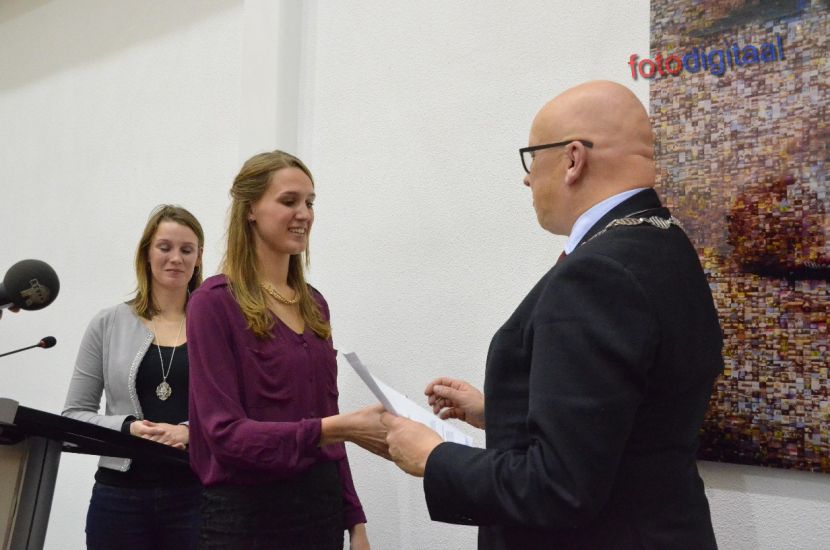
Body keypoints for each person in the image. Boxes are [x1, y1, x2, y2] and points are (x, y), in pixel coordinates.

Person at [381, 81, 724, 549]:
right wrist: (504, 412)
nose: (527, 180)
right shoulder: (664, 243)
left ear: (572, 159)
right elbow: (634, 416)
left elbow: (559, 488)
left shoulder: (597, 273)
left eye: (531, 158)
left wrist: (434, 458)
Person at [186, 150, 386, 550]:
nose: (304, 214)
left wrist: (355, 520)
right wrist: (336, 428)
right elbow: (224, 435)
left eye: (310, 203)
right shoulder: (213, 303)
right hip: (246, 519)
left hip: (321, 513)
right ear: (250, 210)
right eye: (289, 201)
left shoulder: (315, 305)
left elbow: (328, 418)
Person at [63, 205, 205, 549]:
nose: (176, 258)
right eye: (165, 247)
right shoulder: (107, 323)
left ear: (199, 258)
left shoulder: (215, 326)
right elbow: (74, 415)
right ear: (146, 253)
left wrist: (190, 431)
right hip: (118, 500)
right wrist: (129, 428)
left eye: (187, 250)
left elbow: (238, 414)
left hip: (196, 495)